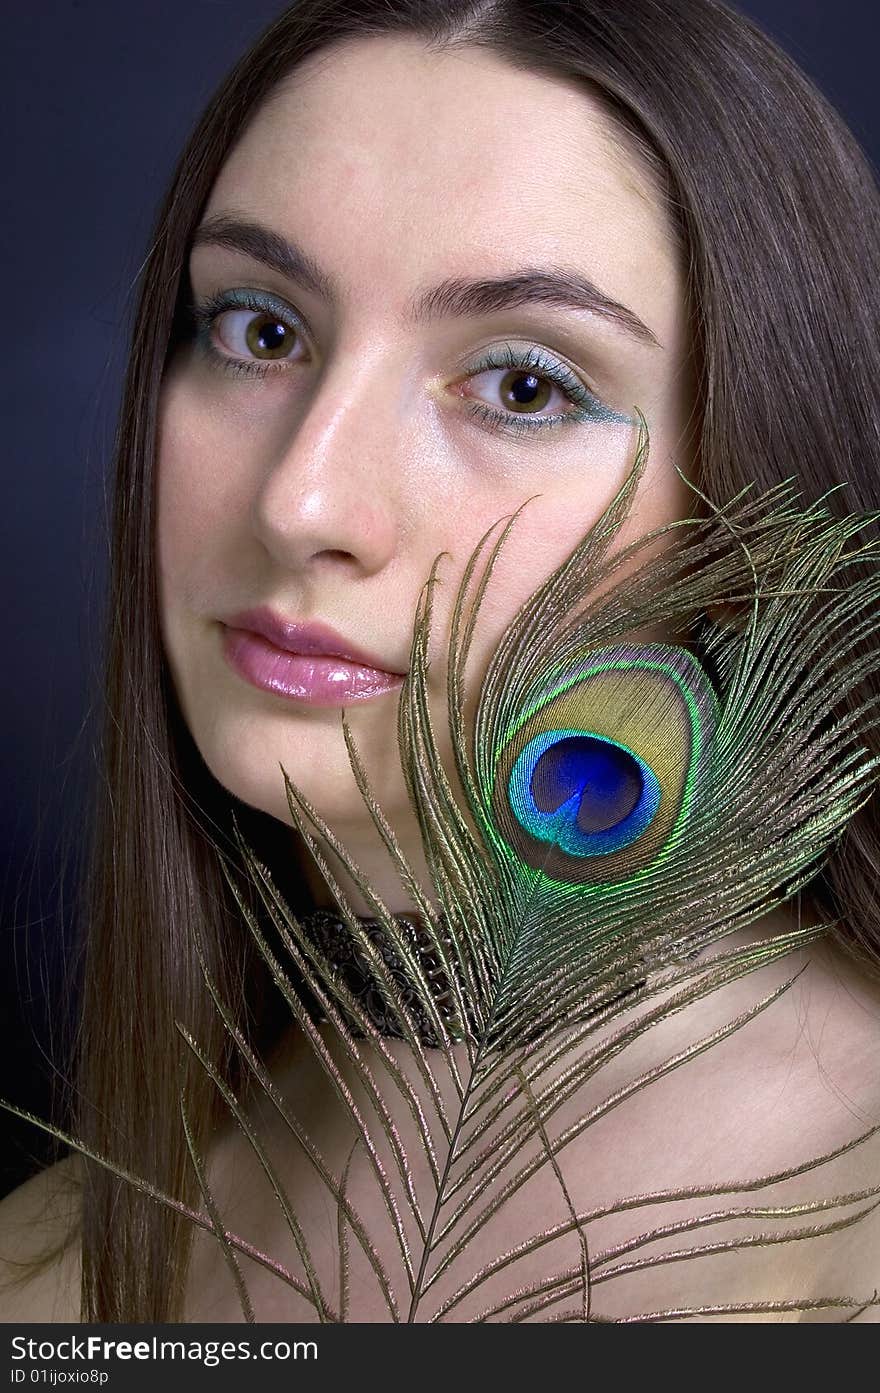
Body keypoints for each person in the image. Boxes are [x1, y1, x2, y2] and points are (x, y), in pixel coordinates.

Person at [1, 0, 879, 1324]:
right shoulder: (59, 1256)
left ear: (750, 493)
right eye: (261, 327)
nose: (302, 502)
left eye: (524, 386)